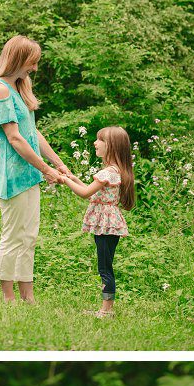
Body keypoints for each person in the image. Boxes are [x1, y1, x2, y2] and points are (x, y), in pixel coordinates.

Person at [0, 35, 77, 304]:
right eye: (31, 63)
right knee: (12, 236)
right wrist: (47, 170)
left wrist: (59, 164)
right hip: (12, 175)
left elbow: (32, 133)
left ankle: (28, 296)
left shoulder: (19, 89)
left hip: (29, 173)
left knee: (29, 236)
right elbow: (14, 138)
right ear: (17, 59)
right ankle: (8, 297)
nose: (34, 68)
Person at [61, 127, 137, 318]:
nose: (95, 143)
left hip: (105, 225)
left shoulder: (107, 173)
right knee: (106, 266)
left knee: (105, 268)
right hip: (109, 222)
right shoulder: (115, 171)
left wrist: (63, 180)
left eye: (99, 140)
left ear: (111, 146)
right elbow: (92, 193)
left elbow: (85, 193)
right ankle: (105, 308)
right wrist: (73, 178)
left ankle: (106, 311)